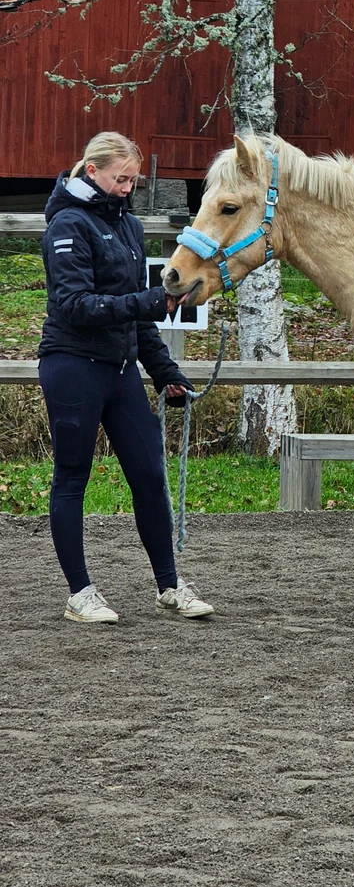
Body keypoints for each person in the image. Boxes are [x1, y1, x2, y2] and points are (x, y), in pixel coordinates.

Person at [38, 131, 214, 624]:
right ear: (91, 172)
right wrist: (150, 302)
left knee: (150, 477)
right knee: (72, 478)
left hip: (119, 371)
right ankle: (80, 593)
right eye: (121, 178)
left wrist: (164, 372)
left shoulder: (131, 227)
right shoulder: (67, 226)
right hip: (72, 366)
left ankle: (170, 584)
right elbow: (74, 306)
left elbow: (137, 319)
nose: (128, 187)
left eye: (133, 179)